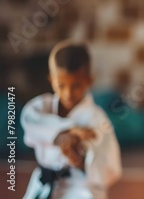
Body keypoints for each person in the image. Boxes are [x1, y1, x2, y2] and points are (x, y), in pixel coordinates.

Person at [21, 40, 122, 199]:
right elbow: (29, 123)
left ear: (88, 81)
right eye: (61, 85)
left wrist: (81, 162)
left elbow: (111, 168)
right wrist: (65, 133)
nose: (68, 93)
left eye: (76, 86)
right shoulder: (41, 107)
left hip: (80, 187)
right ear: (51, 80)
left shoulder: (97, 119)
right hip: (44, 183)